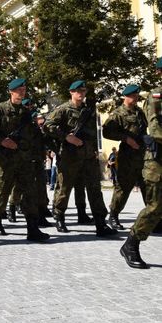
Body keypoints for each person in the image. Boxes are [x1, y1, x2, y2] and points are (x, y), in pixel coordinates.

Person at [44, 80, 116, 237]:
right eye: (78, 91)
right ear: (71, 92)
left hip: (89, 157)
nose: (81, 94)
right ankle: (59, 217)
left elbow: (92, 134)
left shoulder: (88, 111)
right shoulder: (63, 109)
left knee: (95, 190)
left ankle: (100, 223)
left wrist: (94, 151)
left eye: (83, 91)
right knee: (64, 188)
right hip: (70, 157)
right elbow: (47, 126)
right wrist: (66, 137)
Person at [0, 78, 49, 241]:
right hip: (6, 160)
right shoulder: (0, 110)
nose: (22, 91)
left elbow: (32, 135)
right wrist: (2, 140)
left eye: (24, 89)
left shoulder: (26, 112)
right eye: (19, 89)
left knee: (29, 193)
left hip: (25, 159)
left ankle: (32, 228)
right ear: (11, 92)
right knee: (2, 190)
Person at [120, 58, 162, 269]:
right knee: (155, 207)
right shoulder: (156, 97)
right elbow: (155, 131)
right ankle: (131, 244)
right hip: (157, 162)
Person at [102, 85, 147, 230]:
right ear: (125, 96)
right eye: (133, 95)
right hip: (127, 156)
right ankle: (113, 215)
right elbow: (106, 132)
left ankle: (154, 220)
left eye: (137, 95)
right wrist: (126, 139)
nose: (136, 98)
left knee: (149, 187)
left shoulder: (139, 112)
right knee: (123, 188)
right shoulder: (118, 114)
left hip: (143, 155)